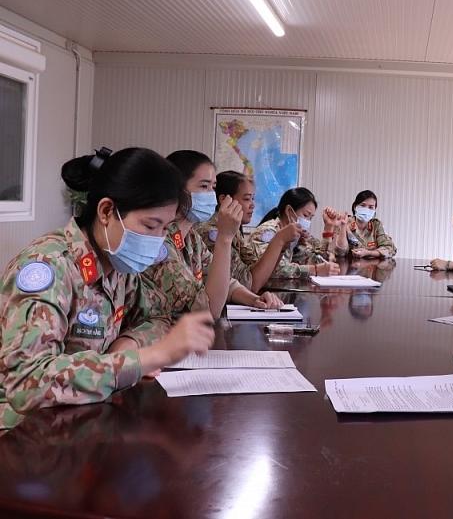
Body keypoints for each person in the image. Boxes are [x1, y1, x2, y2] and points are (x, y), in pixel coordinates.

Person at [0, 147, 215, 431]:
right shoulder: (50, 267)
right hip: (23, 437)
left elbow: (158, 317)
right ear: (106, 211)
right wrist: (145, 358)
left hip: (81, 426)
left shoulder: (117, 267)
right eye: (150, 226)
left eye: (165, 229)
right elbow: (27, 382)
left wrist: (130, 344)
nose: (157, 240)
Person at [142, 152, 282, 320]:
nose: (210, 195)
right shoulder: (160, 242)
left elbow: (227, 283)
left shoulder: (191, 237)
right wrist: (225, 238)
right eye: (203, 186)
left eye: (213, 188)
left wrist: (255, 300)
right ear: (176, 190)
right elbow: (209, 310)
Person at [196, 170, 301, 293]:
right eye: (246, 199)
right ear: (224, 200)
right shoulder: (211, 233)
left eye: (253, 199)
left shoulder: (234, 231)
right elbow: (250, 284)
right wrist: (279, 239)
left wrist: (282, 247)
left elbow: (262, 271)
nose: (252, 205)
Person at [250, 187, 340, 279]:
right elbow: (274, 270)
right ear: (289, 211)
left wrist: (329, 228)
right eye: (305, 215)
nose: (307, 221)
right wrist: (314, 270)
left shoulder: (298, 235)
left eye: (310, 218)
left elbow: (320, 261)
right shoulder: (267, 232)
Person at [342, 190, 396, 258]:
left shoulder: (377, 225)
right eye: (363, 205)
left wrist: (369, 253)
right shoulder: (345, 222)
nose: (366, 210)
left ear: (374, 210)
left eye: (370, 207)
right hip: (348, 265)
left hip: (373, 267)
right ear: (355, 207)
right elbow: (338, 251)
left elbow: (390, 248)